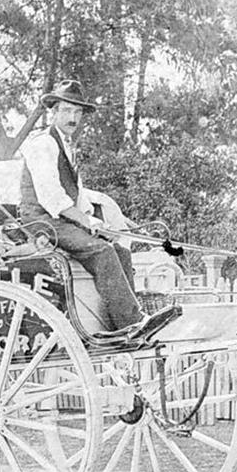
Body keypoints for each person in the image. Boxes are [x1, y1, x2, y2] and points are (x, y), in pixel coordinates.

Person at [18, 80, 145, 331]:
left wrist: (99, 222)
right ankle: (131, 324)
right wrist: (87, 222)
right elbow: (51, 197)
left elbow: (76, 196)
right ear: (53, 112)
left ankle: (117, 325)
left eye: (77, 112)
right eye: (66, 111)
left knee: (120, 250)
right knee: (102, 252)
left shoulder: (66, 145)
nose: (72, 117)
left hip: (60, 219)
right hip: (41, 220)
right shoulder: (42, 144)